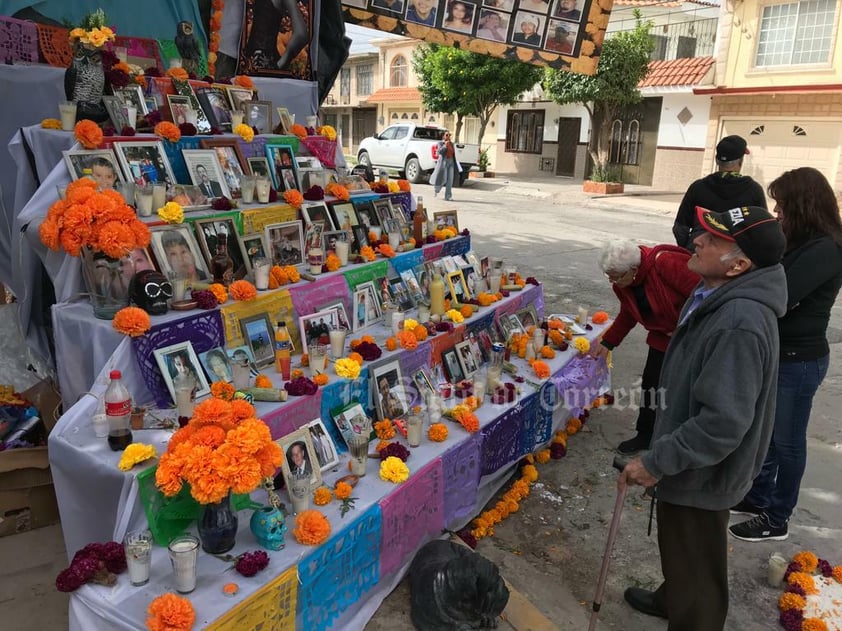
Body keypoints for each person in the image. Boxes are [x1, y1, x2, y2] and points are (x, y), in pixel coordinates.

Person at [618, 204, 786, 629]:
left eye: (713, 239)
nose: (696, 239)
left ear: (740, 265)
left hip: (704, 472)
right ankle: (672, 597)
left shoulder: (738, 322)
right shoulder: (714, 291)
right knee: (682, 548)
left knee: (697, 559)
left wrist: (656, 461)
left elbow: (722, 423)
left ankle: (691, 613)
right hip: (691, 464)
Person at [729, 168, 842, 542]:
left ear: (803, 205)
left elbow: (782, 295)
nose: (776, 212)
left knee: (788, 441)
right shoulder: (800, 241)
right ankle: (758, 496)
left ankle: (777, 518)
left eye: (782, 205)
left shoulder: (826, 248)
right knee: (770, 437)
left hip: (800, 359)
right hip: (783, 353)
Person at [591, 240, 699, 454]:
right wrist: (608, 341)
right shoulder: (624, 282)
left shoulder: (666, 263)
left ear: (633, 269)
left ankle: (678, 441)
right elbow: (629, 312)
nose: (612, 281)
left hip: (691, 337)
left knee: (684, 390)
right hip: (661, 337)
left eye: (615, 276)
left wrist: (684, 328)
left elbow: (703, 296)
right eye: (608, 276)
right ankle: (645, 435)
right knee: (652, 384)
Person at [672, 135, 767, 251]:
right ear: (741, 161)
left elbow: (680, 228)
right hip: (733, 259)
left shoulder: (698, 187)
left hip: (699, 253)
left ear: (717, 160)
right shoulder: (754, 190)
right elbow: (763, 229)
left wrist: (689, 249)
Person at [432, 132, 457, 201]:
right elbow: (440, 152)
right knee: (443, 178)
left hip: (451, 163)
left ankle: (448, 196)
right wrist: (445, 145)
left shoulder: (452, 144)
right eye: (446, 135)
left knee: (450, 180)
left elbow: (453, 154)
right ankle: (437, 190)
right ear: (443, 136)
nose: (448, 136)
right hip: (444, 163)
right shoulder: (440, 143)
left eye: (449, 135)